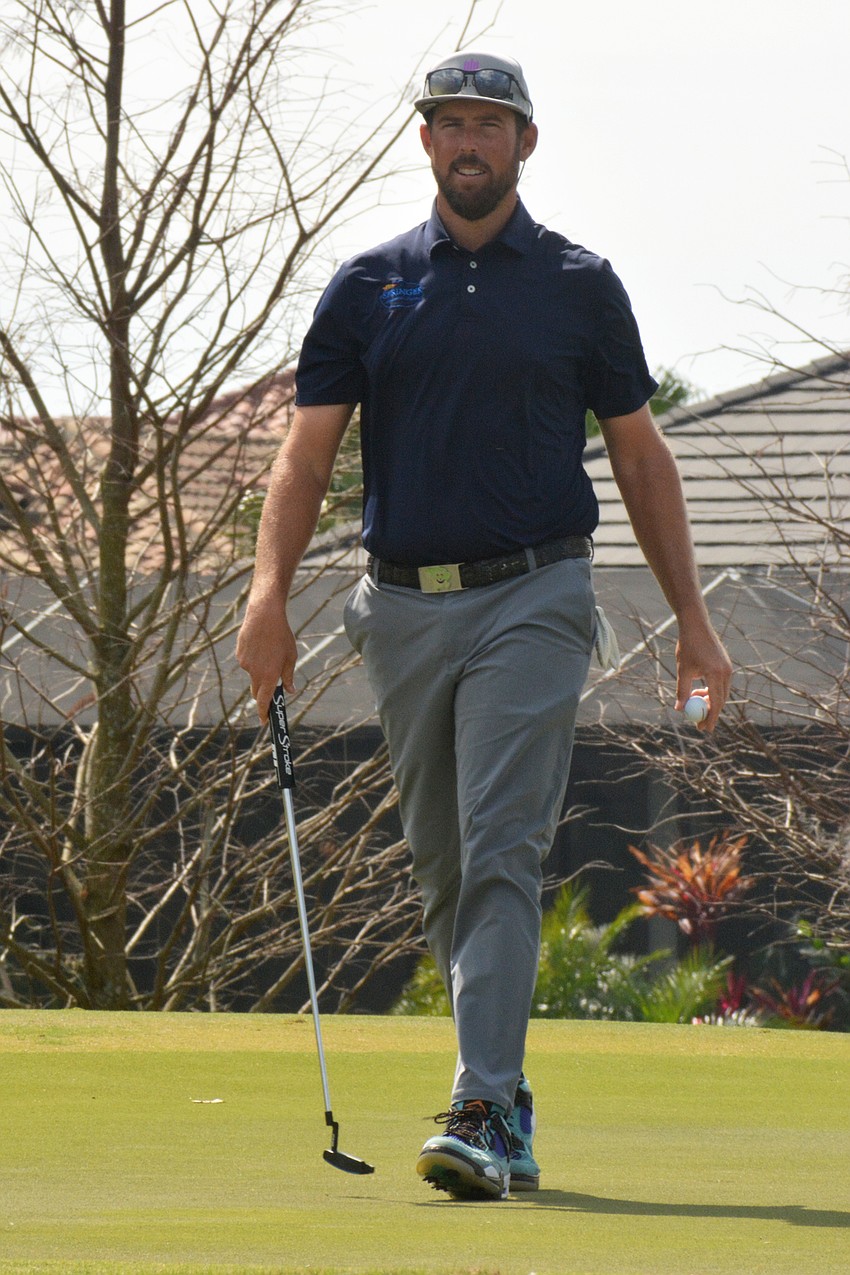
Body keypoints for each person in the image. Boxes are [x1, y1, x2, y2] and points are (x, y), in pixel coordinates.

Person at [236, 50, 732, 1201]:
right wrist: (267, 598)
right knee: (449, 870)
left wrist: (693, 623)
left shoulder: (578, 284)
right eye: (449, 123)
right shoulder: (366, 287)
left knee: (501, 845)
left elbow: (640, 454)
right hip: (400, 608)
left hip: (537, 594)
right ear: (426, 143)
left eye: (488, 125)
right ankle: (504, 1099)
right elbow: (304, 456)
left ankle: (476, 1103)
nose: (468, 141)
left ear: (525, 144)